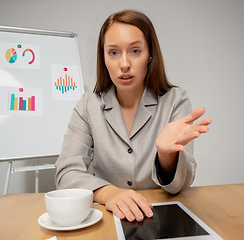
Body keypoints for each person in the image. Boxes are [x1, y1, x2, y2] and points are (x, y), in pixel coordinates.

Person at [55, 9, 212, 223]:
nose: (124, 63)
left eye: (135, 51)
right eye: (113, 52)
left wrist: (166, 156)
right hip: (109, 219)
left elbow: (181, 185)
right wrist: (108, 193)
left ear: (150, 55)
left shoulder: (176, 100)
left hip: (161, 218)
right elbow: (66, 174)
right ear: (103, 58)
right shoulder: (88, 105)